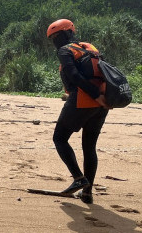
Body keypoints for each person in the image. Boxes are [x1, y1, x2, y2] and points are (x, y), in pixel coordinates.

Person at [47, 19, 110, 204]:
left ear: (67, 33)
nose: (55, 41)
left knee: (59, 138)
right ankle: (87, 192)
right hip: (102, 104)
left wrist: (93, 94)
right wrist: (101, 97)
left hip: (84, 99)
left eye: (56, 36)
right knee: (89, 146)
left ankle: (78, 178)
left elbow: (74, 75)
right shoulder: (91, 48)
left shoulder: (65, 50)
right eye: (52, 38)